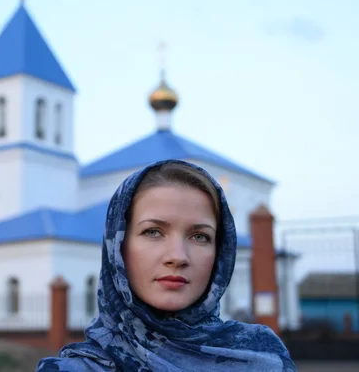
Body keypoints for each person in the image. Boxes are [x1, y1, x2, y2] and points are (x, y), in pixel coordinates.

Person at [37, 159, 297, 371]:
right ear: (118, 246)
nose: (178, 256)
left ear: (220, 253)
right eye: (153, 232)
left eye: (200, 236)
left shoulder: (261, 358)